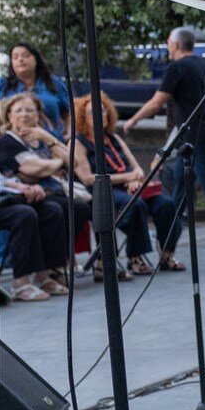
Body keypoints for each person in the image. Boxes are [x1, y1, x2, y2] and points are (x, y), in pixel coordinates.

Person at [123, 27, 205, 247]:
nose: (167, 48)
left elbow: (157, 102)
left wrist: (132, 120)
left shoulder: (177, 68)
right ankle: (170, 232)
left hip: (195, 135)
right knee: (181, 183)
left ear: (175, 45)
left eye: (168, 43)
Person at [73, 93, 184, 275]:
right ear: (83, 117)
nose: (99, 116)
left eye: (102, 111)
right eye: (92, 113)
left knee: (166, 204)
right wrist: (127, 178)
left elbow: (138, 169)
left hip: (130, 186)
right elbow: (86, 178)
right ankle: (135, 256)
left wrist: (134, 178)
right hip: (102, 191)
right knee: (135, 205)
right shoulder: (77, 143)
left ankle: (167, 253)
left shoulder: (114, 138)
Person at [0, 92, 92, 270]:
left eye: (29, 110)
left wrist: (49, 139)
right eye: (19, 111)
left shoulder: (41, 137)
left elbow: (74, 162)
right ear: (9, 115)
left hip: (52, 190)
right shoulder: (7, 141)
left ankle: (96, 262)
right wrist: (59, 163)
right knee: (62, 208)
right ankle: (54, 265)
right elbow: (35, 169)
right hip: (30, 195)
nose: (24, 114)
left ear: (38, 115)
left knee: (92, 205)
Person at [0, 172, 70, 300]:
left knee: (52, 210)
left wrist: (26, 187)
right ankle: (20, 282)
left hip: (7, 195)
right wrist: (20, 187)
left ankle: (44, 275)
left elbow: (3, 179)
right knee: (24, 214)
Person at [1, 42, 72, 136]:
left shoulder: (54, 83)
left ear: (36, 59)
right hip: (12, 143)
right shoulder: (2, 84)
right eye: (15, 57)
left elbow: (70, 114)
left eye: (25, 55)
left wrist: (70, 136)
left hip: (51, 141)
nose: (20, 59)